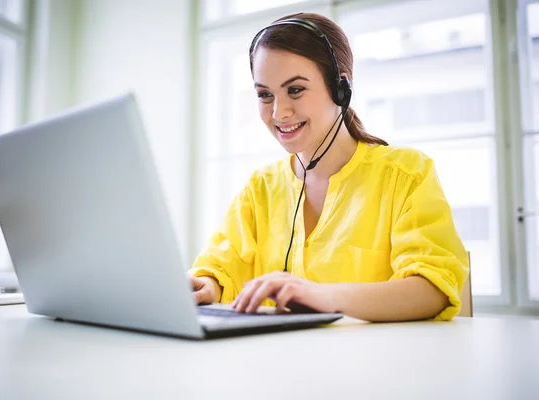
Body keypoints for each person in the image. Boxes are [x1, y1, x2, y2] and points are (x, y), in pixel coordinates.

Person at [187, 12, 469, 322]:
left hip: (379, 366)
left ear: (341, 88)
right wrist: (206, 286)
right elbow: (220, 268)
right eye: (265, 95)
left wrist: (323, 295)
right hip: (276, 365)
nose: (279, 113)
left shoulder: (407, 174)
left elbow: (433, 290)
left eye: (295, 90)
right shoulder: (260, 188)